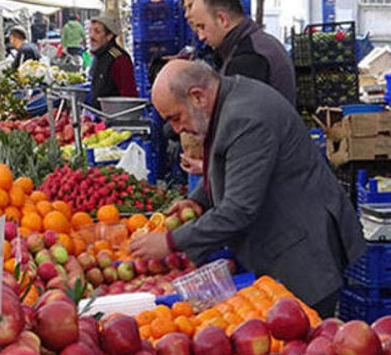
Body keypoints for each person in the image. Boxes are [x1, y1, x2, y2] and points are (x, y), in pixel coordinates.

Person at [129, 60, 365, 317]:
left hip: (301, 253)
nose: (176, 129)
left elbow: (239, 209)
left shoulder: (246, 117)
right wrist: (199, 201)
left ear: (197, 96)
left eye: (176, 117)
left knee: (304, 337)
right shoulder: (227, 101)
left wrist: (171, 241)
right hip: (283, 242)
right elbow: (230, 168)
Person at [189, 0, 296, 104]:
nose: (201, 36)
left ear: (222, 19)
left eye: (202, 27)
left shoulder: (248, 57)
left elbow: (239, 117)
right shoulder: (258, 43)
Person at [88, 13, 138, 108]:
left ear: (109, 36)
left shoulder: (119, 60)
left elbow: (129, 97)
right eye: (90, 31)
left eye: (97, 32)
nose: (91, 36)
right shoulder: (99, 56)